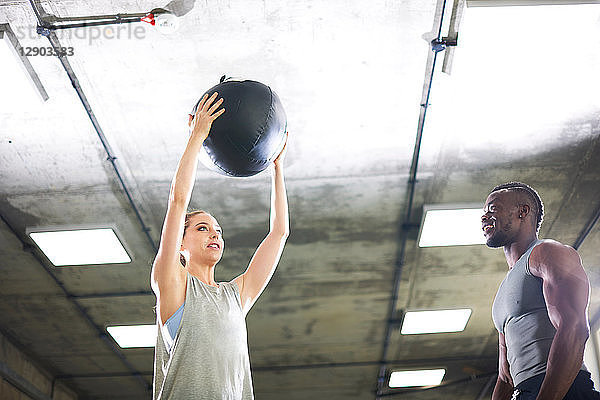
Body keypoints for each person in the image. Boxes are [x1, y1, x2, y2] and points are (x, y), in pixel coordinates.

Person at [151, 92, 289, 399]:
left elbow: (279, 233)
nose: (215, 235)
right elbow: (178, 200)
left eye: (218, 231)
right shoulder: (172, 282)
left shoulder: (236, 297)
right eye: (202, 228)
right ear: (181, 244)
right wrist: (198, 136)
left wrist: (277, 168)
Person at [483, 182, 599, 400]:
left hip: (565, 390)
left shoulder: (547, 252)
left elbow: (574, 328)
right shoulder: (502, 292)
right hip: (525, 392)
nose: (484, 216)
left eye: (493, 208)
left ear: (522, 211)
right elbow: (506, 376)